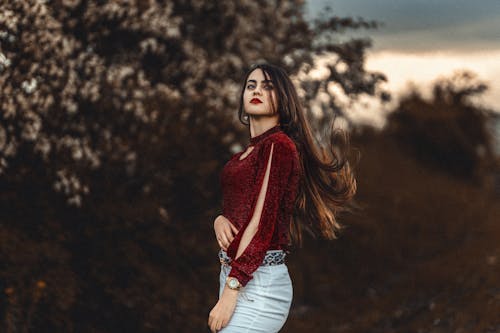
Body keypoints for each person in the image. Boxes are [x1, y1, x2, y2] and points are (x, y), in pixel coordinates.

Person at [208, 63, 357, 332]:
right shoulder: (243, 156)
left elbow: (260, 223)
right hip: (236, 275)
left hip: (255, 282)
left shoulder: (279, 146)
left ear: (283, 98)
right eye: (251, 86)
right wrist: (219, 220)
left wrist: (231, 290)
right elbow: (240, 210)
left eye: (268, 87)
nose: (257, 91)